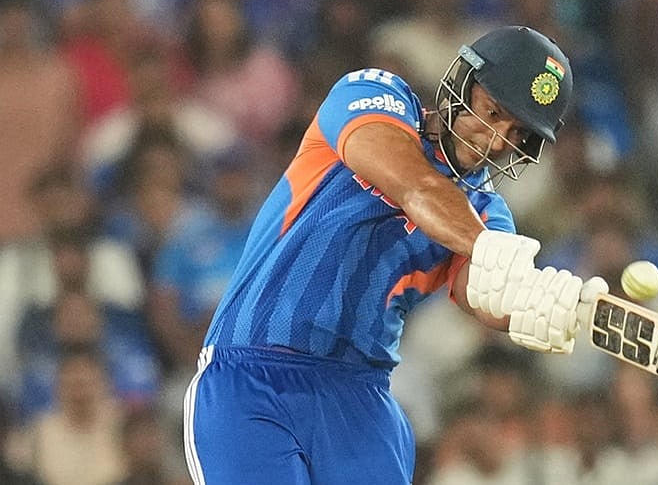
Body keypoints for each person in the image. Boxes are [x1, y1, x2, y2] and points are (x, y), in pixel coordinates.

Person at [183, 25, 607, 484]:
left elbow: (483, 296)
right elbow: (415, 186)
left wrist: (539, 303)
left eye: (518, 133)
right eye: (493, 112)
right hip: (251, 376)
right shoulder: (373, 95)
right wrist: (488, 246)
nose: (497, 141)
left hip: (360, 401)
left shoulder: (488, 213)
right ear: (462, 81)